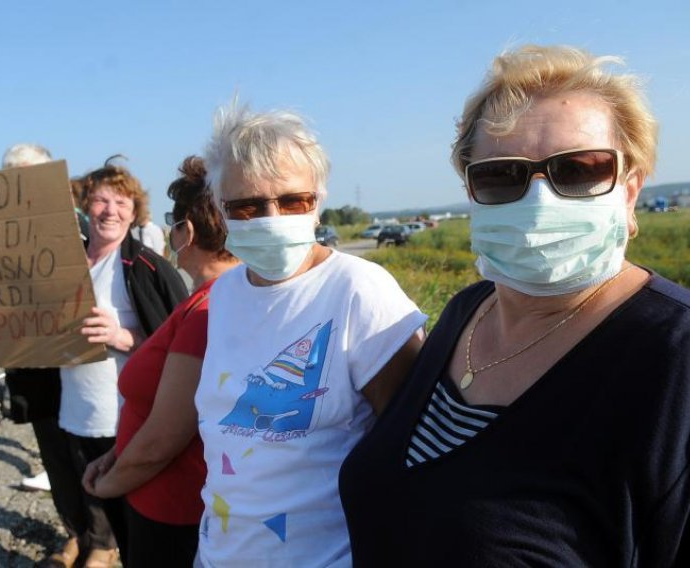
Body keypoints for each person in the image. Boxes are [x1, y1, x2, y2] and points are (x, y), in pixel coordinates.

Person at [339, 45, 690, 566]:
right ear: (470, 190)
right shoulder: (467, 311)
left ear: (630, 191)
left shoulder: (674, 356)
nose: (540, 201)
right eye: (502, 175)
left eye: (580, 169)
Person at [194, 103, 427, 567]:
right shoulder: (224, 295)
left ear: (318, 202)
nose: (272, 217)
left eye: (292, 201)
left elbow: (411, 445)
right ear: (221, 211)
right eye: (248, 206)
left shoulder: (359, 290)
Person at [82, 156, 238, 566]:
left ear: (186, 231)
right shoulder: (207, 300)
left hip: (169, 504)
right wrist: (115, 455)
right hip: (162, 493)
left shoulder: (207, 310)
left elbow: (163, 438)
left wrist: (108, 483)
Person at [60, 161, 188, 566]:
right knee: (83, 486)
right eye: (100, 199)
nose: (110, 210)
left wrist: (120, 337)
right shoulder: (66, 264)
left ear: (134, 212)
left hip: (120, 414)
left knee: (132, 511)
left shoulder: (146, 266)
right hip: (72, 407)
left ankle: (110, 551)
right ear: (85, 206)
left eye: (121, 201)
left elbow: (183, 347)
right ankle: (89, 540)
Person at [0, 143, 91, 568]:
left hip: (78, 358)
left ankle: (104, 542)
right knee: (54, 454)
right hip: (30, 358)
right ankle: (74, 533)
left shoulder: (81, 225)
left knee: (87, 450)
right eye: (13, 176)